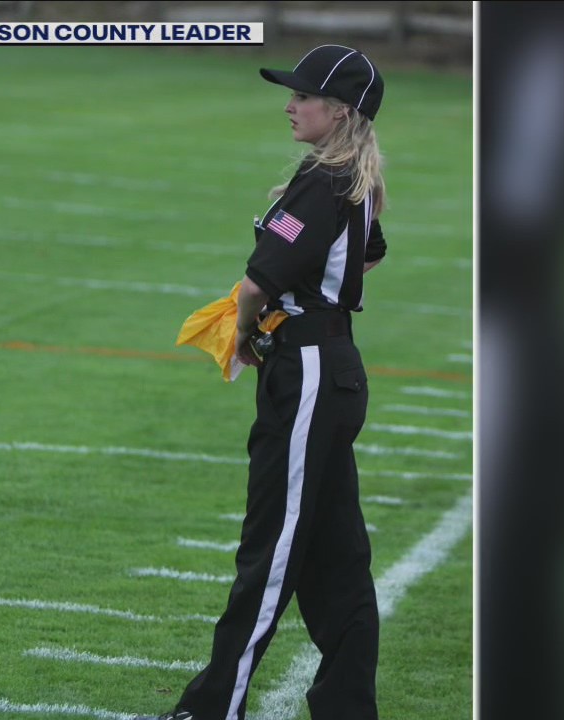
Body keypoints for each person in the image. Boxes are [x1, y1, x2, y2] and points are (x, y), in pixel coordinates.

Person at [137, 45, 388, 720]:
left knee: (271, 551)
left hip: (307, 372)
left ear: (340, 112)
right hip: (328, 366)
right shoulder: (351, 178)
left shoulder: (326, 180)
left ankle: (210, 710)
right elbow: (366, 255)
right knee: (336, 559)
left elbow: (255, 284)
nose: (290, 105)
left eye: (303, 96)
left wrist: (250, 330)